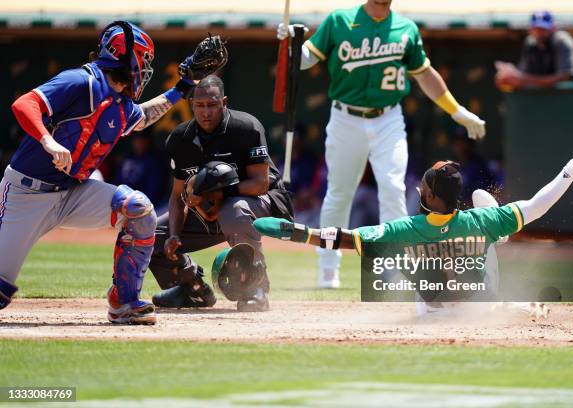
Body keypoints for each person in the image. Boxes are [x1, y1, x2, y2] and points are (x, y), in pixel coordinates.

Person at [0, 21, 227, 325]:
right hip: (27, 193)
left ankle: (124, 302)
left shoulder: (120, 102)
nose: (145, 70)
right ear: (125, 56)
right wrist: (48, 141)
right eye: (143, 61)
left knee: (139, 210)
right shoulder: (82, 82)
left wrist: (183, 86)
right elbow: (25, 103)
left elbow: (143, 118)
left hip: (72, 192)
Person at [277, 0, 486, 288]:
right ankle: (328, 266)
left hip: (389, 117)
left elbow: (424, 73)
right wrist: (290, 44)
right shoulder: (340, 20)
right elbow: (304, 59)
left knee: (393, 190)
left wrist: (456, 110)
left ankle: (393, 268)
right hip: (345, 117)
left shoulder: (405, 28)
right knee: (339, 193)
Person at [253, 140, 573, 306]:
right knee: (486, 209)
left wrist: (299, 234)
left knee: (402, 257)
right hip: (481, 297)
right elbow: (538, 205)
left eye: (424, 185)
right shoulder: (481, 219)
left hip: (432, 307)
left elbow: (344, 239)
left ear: (432, 197)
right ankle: (499, 247)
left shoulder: (406, 228)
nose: (419, 186)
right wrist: (572, 169)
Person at [148, 75, 293, 312]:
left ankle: (255, 288)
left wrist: (217, 193)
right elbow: (176, 196)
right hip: (206, 211)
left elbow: (261, 183)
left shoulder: (246, 127)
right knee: (150, 234)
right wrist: (174, 236)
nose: (206, 112)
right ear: (191, 104)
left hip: (259, 203)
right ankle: (191, 289)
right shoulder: (180, 138)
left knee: (234, 211)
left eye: (212, 105)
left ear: (224, 102)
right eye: (200, 105)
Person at [495, 11, 573, 90]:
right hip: (538, 98)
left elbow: (565, 78)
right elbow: (524, 73)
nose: (539, 32)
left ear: (553, 28)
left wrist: (522, 78)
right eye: (536, 28)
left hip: (563, 99)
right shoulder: (530, 43)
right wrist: (510, 77)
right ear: (530, 29)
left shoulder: (562, 41)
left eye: (543, 29)